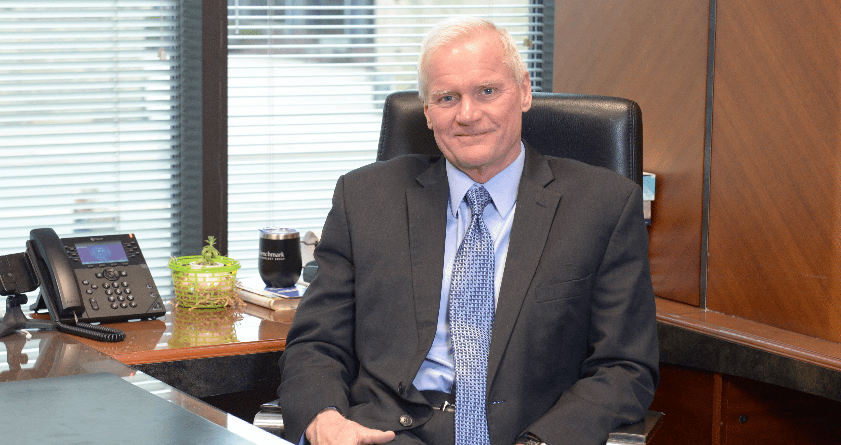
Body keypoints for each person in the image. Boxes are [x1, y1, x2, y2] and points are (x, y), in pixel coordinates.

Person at [277, 17, 658, 445]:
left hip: (525, 436)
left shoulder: (603, 205)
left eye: (488, 91)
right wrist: (326, 419)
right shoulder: (365, 198)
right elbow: (316, 342)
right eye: (447, 97)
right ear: (426, 111)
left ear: (525, 92)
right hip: (382, 435)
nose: (468, 114)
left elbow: (625, 367)